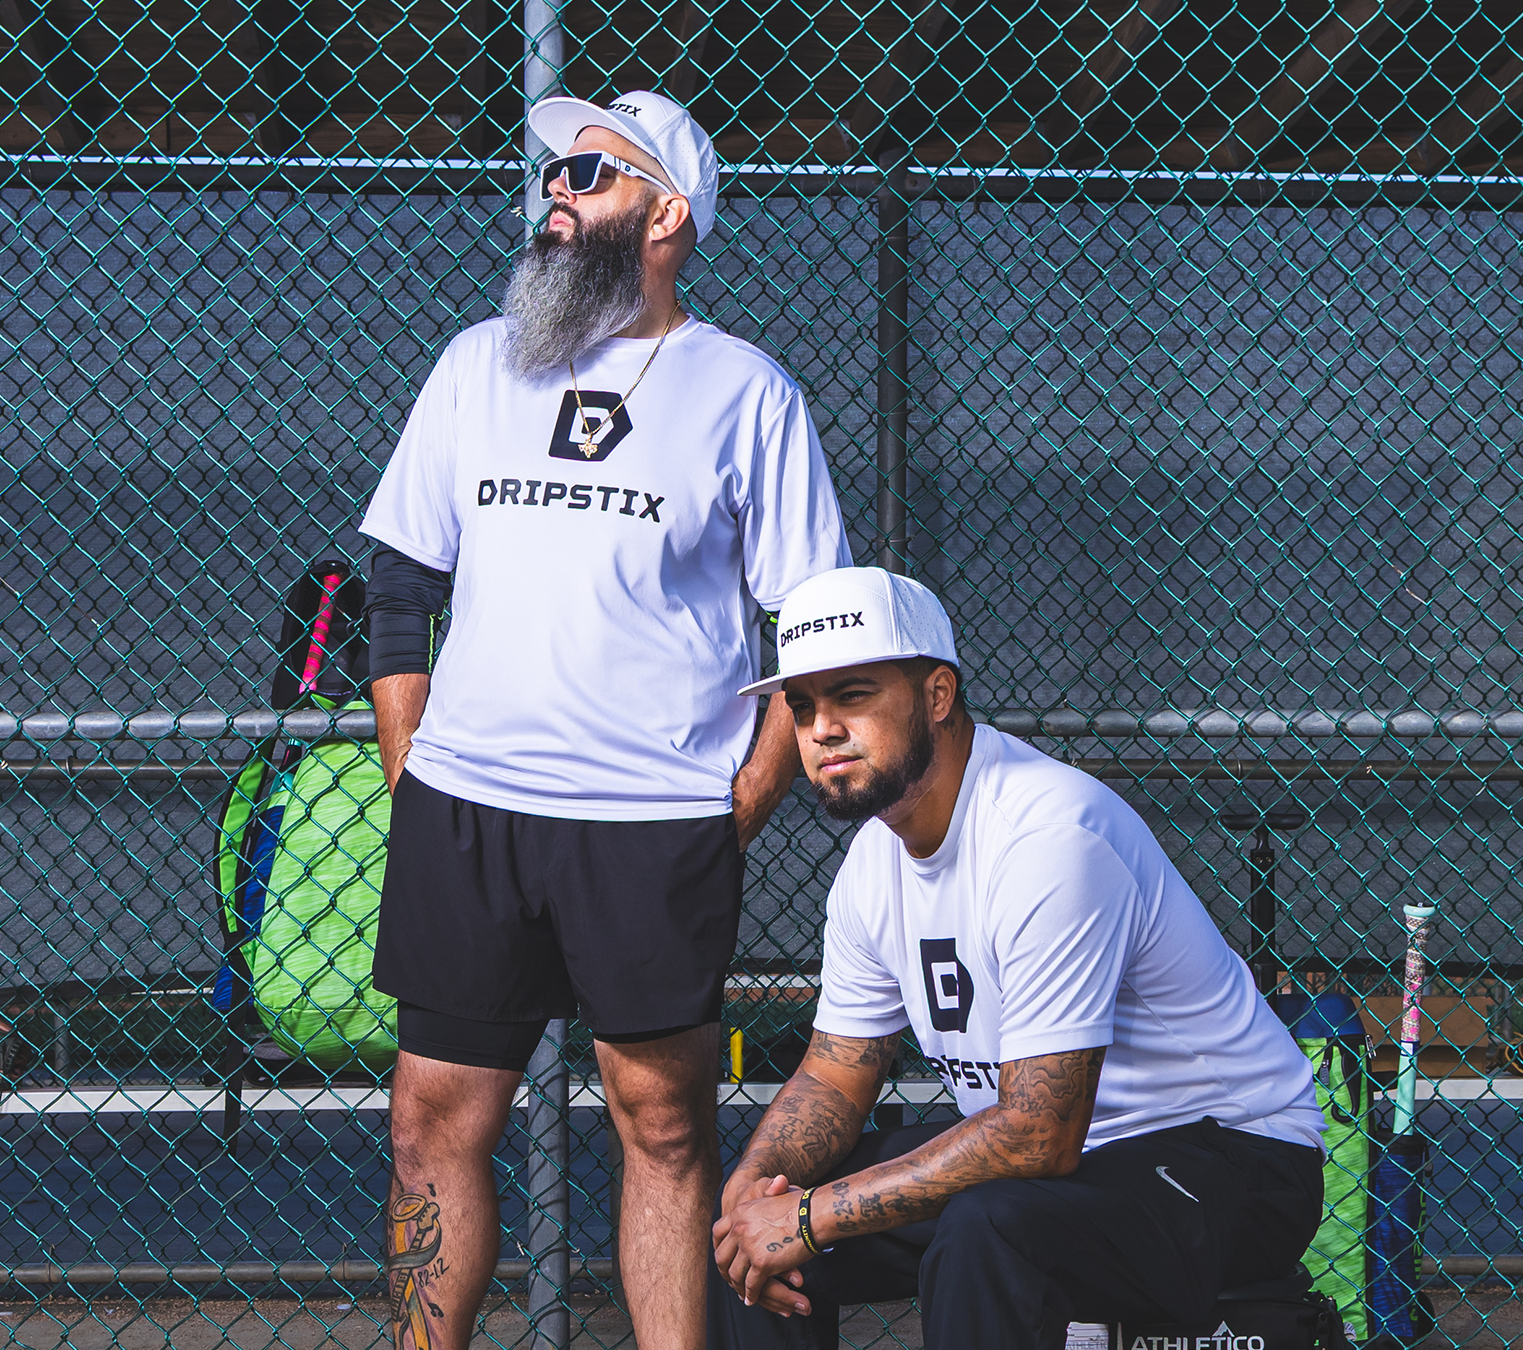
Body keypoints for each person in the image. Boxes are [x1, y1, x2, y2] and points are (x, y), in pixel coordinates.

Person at [359, 90, 851, 1350]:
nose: (554, 192)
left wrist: (728, 811)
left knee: (664, 1129)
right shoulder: (478, 360)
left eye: (589, 170)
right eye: (550, 173)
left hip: (649, 826)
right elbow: (403, 585)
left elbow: (815, 636)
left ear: (668, 213)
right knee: (430, 1124)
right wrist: (414, 774)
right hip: (467, 815)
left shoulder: (747, 394)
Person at [709, 566, 1326, 1350]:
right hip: (1061, 1168)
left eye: (852, 694)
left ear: (936, 695)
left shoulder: (1049, 835)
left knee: (986, 1227)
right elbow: (834, 1074)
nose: (820, 729)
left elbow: (1039, 1133)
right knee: (743, 1239)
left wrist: (807, 1216)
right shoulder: (873, 861)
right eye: (802, 707)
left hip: (1232, 1159)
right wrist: (754, 1197)